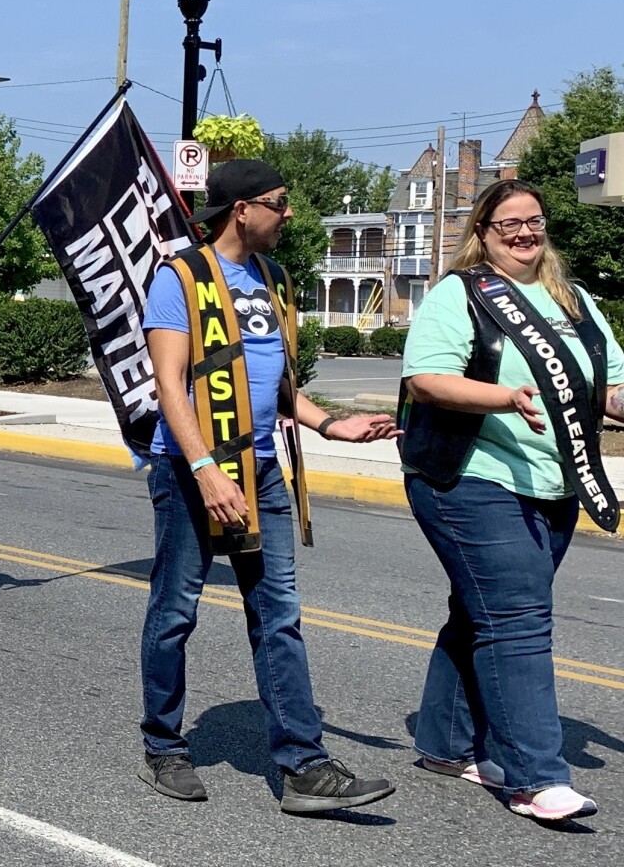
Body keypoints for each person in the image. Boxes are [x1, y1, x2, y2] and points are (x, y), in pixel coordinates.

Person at [138, 160, 399, 814]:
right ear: (242, 210)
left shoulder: (274, 280)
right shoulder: (181, 278)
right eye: (279, 203)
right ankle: (164, 746)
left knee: (278, 614)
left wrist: (331, 425)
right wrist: (206, 469)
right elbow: (169, 385)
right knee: (176, 611)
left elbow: (279, 388)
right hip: (191, 471)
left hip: (261, 471)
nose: (289, 214)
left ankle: (304, 767)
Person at [400, 179, 621, 821]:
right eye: (509, 224)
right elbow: (425, 379)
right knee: (519, 621)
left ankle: (446, 745)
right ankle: (534, 777)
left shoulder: (572, 300)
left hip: (554, 482)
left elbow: (608, 387)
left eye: (535, 221)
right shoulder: (460, 293)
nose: (525, 233)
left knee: (484, 615)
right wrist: (505, 397)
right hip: (472, 479)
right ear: (483, 233)